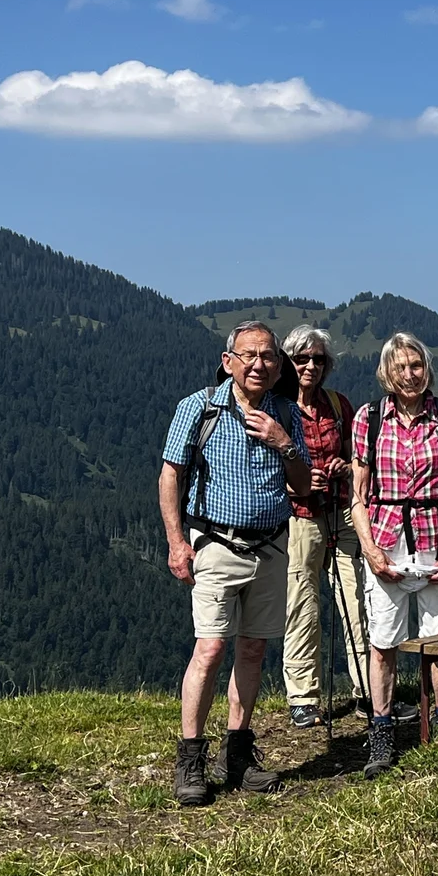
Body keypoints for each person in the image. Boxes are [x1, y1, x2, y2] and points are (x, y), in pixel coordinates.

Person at [159, 321, 312, 806]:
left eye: (267, 356)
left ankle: (239, 755)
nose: (258, 365)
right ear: (228, 361)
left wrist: (281, 440)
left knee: (251, 651)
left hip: (271, 547)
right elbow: (170, 476)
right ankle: (191, 760)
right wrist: (176, 542)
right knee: (209, 650)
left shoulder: (287, 413)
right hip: (216, 546)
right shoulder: (199, 408)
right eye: (247, 355)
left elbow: (304, 485)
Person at [348, 331, 438, 778]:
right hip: (386, 540)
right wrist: (367, 547)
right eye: (400, 367)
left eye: (416, 366)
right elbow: (358, 495)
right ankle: (380, 734)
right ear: (386, 373)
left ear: (428, 369)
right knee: (383, 641)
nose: (409, 374)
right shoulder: (369, 418)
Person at [278, 325, 366, 729]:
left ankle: (368, 690)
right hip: (299, 514)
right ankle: (303, 696)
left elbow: (356, 456)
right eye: (301, 359)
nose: (311, 366)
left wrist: (345, 467)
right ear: (288, 363)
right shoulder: (276, 407)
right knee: (303, 603)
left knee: (358, 599)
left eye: (318, 359)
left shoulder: (338, 404)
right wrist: (296, 479)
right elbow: (260, 468)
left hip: (341, 509)